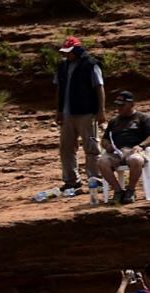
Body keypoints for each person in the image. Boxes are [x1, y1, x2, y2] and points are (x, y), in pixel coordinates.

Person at [53, 36, 106, 194]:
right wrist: (59, 110)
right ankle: (71, 181)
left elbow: (99, 87)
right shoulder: (62, 66)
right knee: (66, 148)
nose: (66, 55)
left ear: (77, 50)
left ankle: (94, 178)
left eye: (69, 52)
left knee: (91, 147)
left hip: (86, 113)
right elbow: (59, 89)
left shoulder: (90, 65)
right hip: (67, 114)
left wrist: (101, 110)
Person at [98, 91, 150, 204]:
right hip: (116, 152)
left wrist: (141, 145)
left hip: (134, 151)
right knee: (102, 162)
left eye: (122, 105)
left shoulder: (142, 118)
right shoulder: (114, 121)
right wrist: (107, 146)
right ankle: (118, 191)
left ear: (132, 104)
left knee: (135, 160)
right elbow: (105, 139)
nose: (119, 108)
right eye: (117, 105)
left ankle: (130, 190)